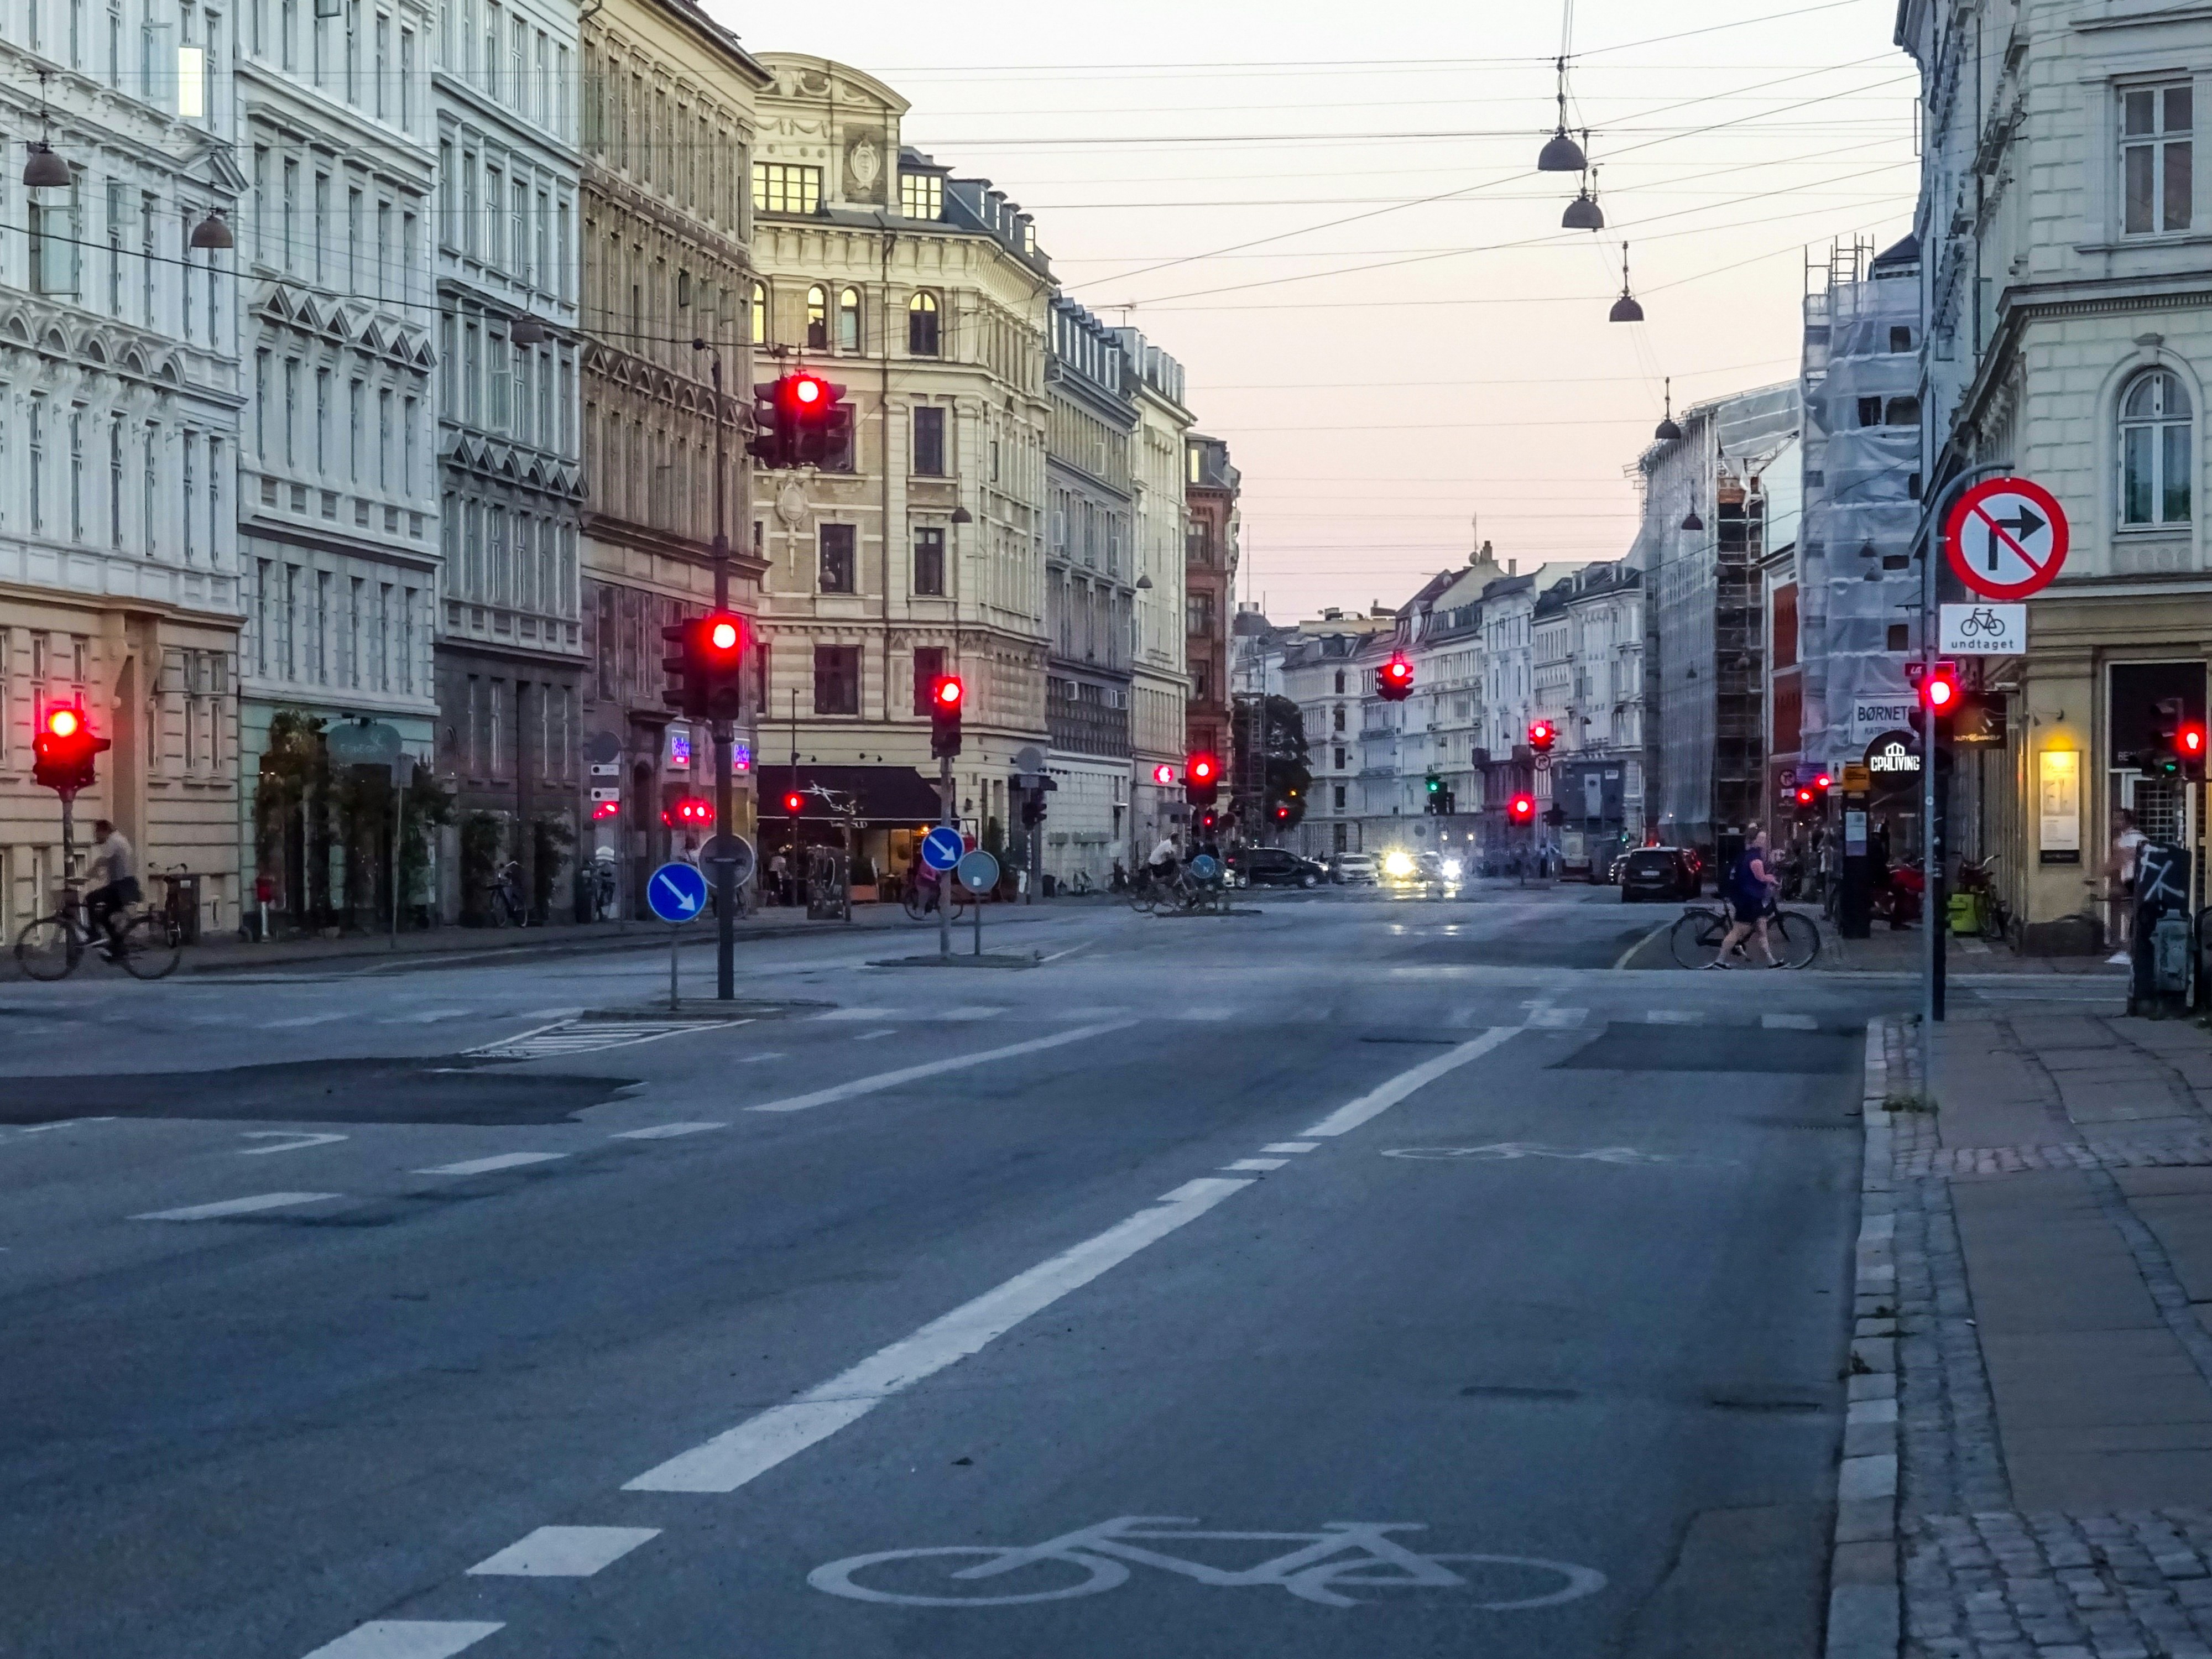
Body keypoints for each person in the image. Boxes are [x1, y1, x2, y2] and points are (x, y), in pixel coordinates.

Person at [1710, 827, 1781, 968]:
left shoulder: (1747, 854)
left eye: (1765, 838)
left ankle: (1772, 961)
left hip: (1750, 898)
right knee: (1738, 931)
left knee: (1762, 927)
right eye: (1761, 838)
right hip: (1747, 900)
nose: (1764, 841)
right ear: (1754, 840)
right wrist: (1772, 879)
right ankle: (1719, 961)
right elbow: (1760, 877)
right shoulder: (1754, 858)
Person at [84, 818, 140, 953]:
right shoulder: (118, 838)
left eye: (97, 833)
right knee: (105, 916)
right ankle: (117, 947)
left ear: (104, 831)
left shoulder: (113, 841)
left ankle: (94, 934)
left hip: (121, 887)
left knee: (90, 898)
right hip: (126, 885)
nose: (96, 835)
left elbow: (103, 860)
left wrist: (89, 874)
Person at [2106, 807, 2146, 964]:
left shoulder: (2129, 839)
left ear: (2127, 821)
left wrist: (2098, 874)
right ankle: (2130, 947)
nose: (2115, 822)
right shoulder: (2135, 837)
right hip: (2135, 881)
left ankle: (2130, 949)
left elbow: (2118, 861)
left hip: (2133, 881)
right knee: (2131, 913)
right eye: (2114, 818)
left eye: (2119, 819)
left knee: (2131, 914)